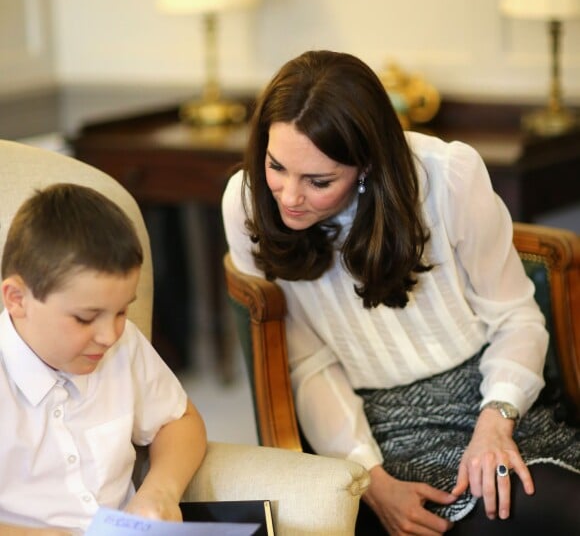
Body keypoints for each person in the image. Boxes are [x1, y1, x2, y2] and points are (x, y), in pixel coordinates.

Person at [222, 50, 580, 535]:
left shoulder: (449, 177)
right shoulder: (246, 205)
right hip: (366, 426)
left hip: (481, 396)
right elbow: (308, 365)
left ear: (366, 165)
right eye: (276, 165)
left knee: (546, 510)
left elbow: (517, 317)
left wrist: (496, 420)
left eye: (318, 181)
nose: (288, 196)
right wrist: (367, 479)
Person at [0, 183, 207, 535]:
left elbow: (179, 419)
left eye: (122, 311)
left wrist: (160, 490)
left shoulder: (122, 345)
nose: (109, 335)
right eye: (84, 318)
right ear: (17, 298)